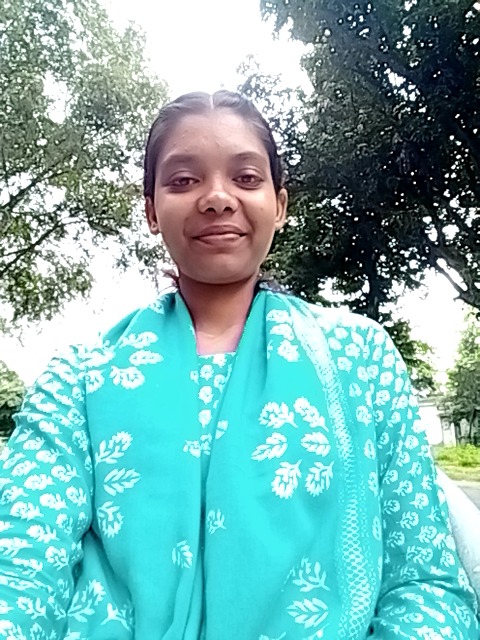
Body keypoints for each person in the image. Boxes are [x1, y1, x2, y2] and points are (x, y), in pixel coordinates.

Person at [0, 90, 478, 640]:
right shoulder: (80, 377)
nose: (216, 198)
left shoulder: (360, 357)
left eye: (246, 178)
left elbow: (423, 581)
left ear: (280, 204)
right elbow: (22, 566)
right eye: (183, 180)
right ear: (152, 210)